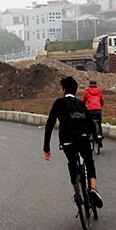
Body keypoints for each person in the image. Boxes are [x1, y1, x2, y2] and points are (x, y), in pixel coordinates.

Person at [43, 76, 103, 208]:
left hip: (67, 141)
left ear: (64, 90)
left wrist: (46, 147)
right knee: (89, 161)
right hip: (82, 138)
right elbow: (91, 124)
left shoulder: (59, 103)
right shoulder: (80, 104)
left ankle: (77, 195)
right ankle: (93, 188)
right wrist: (96, 137)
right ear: (75, 91)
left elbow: (50, 124)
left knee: (72, 164)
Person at [82, 80, 105, 145]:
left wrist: (84, 108)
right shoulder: (99, 91)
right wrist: (100, 105)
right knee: (99, 123)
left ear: (89, 85)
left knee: (88, 123)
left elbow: (83, 101)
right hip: (98, 110)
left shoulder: (87, 92)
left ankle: (88, 134)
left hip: (90, 111)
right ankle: (100, 136)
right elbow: (102, 100)